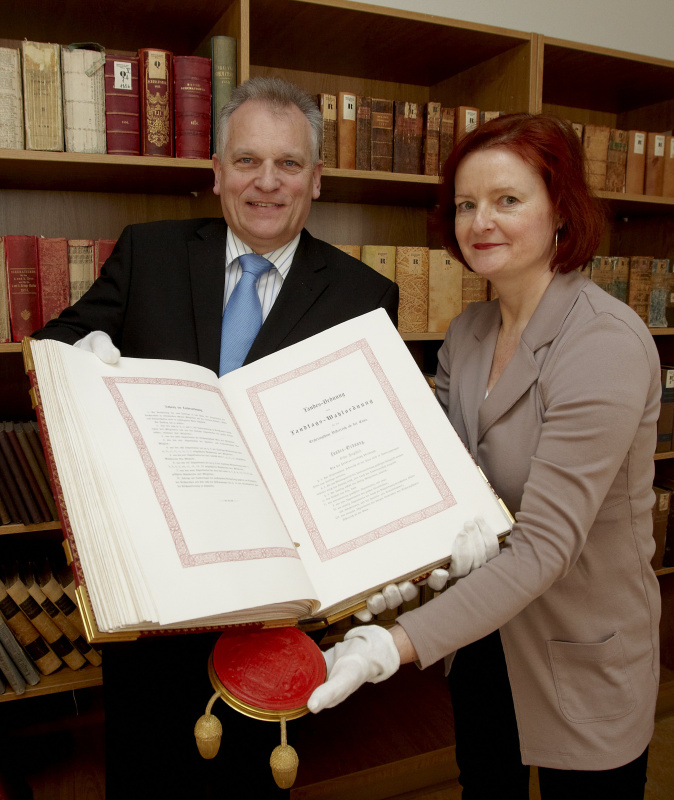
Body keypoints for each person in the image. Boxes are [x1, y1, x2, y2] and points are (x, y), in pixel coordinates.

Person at [31, 76, 398, 798]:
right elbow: (53, 352)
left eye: (289, 163)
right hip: (153, 591)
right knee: (143, 773)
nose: (267, 182)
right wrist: (87, 366)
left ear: (316, 179)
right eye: (246, 160)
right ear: (216, 170)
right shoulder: (148, 253)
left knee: (254, 785)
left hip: (278, 606)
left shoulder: (365, 296)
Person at [308, 113, 662, 800]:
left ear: (560, 206)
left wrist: (391, 644)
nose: (480, 222)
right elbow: (439, 483)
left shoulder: (605, 342)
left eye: (507, 200)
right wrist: (403, 562)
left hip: (579, 651)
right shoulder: (467, 332)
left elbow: (545, 548)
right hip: (483, 639)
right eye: (466, 204)